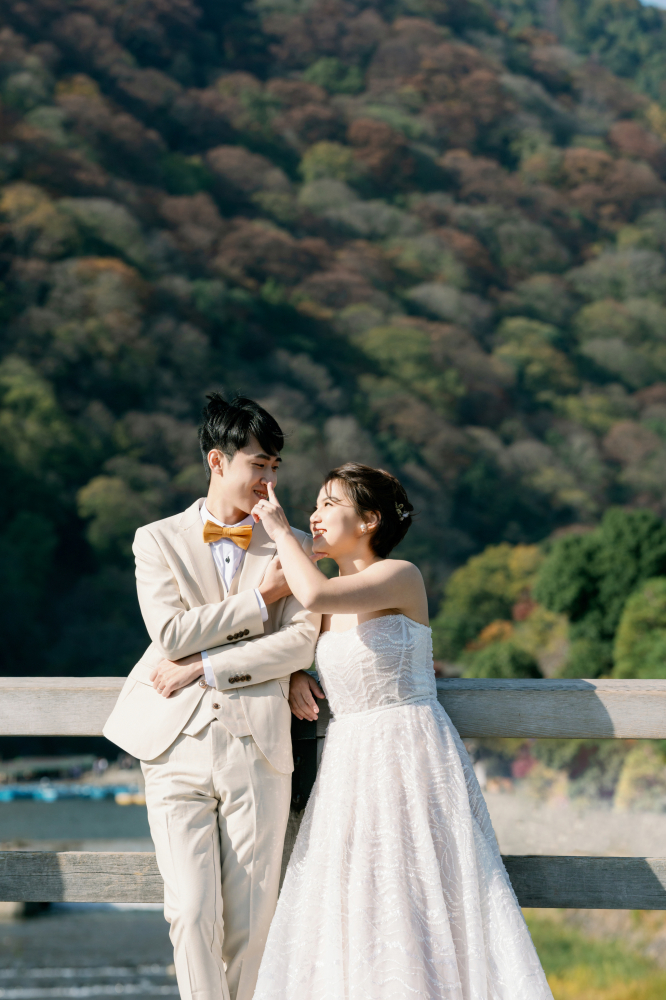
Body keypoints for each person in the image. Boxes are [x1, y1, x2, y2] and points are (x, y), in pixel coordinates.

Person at [250, 464, 553, 1000]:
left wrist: (277, 531)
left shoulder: (400, 576)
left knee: (420, 894)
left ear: (368, 521)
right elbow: (300, 630)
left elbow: (317, 596)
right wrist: (295, 671)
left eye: (328, 505)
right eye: (313, 506)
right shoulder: (326, 588)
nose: (313, 516)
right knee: (359, 898)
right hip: (351, 760)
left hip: (410, 753)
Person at [103, 394, 321, 1000]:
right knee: (191, 913)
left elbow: (299, 645)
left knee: (253, 922)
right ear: (217, 461)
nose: (270, 480)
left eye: (277, 466)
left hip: (259, 745)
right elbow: (167, 636)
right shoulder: (157, 539)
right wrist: (259, 602)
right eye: (260, 465)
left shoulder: (291, 543)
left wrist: (204, 664)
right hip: (173, 744)